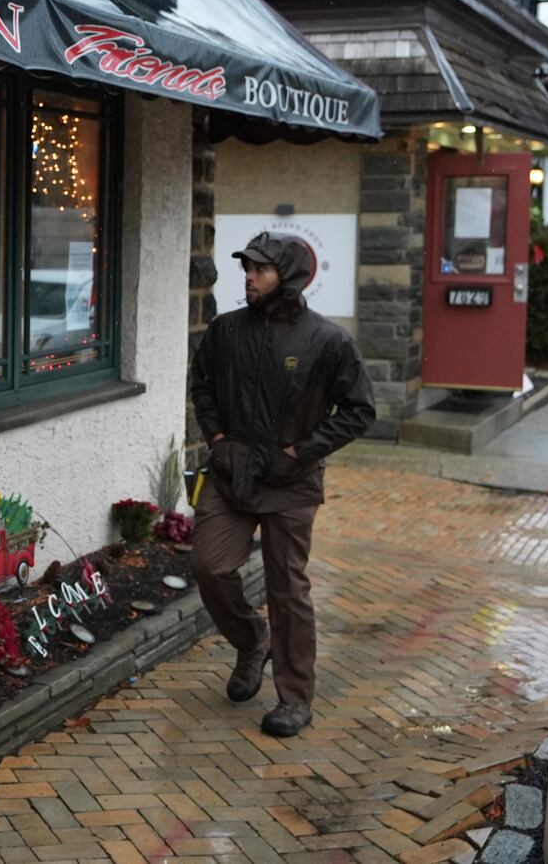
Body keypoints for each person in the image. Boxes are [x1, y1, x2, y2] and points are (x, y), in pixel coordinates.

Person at [189, 231, 374, 737]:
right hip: (232, 473)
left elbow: (359, 410)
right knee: (209, 566)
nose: (249, 277)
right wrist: (219, 436)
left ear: (287, 277)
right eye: (246, 268)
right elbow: (201, 384)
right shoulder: (225, 330)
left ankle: (295, 698)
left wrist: (302, 452)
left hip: (290, 482)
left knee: (286, 588)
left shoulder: (328, 341)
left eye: (260, 269)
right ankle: (253, 640)